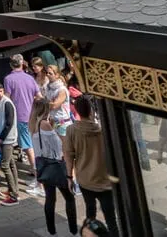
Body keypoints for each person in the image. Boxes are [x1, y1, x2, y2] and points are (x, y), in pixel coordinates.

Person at [65, 97, 118, 235]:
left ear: (77, 111)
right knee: (111, 217)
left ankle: (90, 232)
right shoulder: (102, 129)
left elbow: (69, 156)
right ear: (91, 110)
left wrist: (69, 177)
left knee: (90, 211)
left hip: (85, 179)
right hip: (105, 180)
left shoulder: (72, 130)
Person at [32, 99, 78, 236]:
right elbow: (59, 146)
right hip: (56, 165)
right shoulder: (45, 124)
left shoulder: (33, 124)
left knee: (50, 199)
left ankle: (51, 231)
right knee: (70, 198)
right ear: (46, 109)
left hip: (44, 166)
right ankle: (73, 230)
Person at [4, 53, 43, 197]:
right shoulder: (30, 78)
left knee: (28, 147)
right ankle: (36, 176)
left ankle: (39, 179)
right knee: (31, 145)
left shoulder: (8, 79)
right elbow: (39, 97)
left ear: (10, 64)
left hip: (19, 117)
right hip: (32, 116)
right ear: (22, 64)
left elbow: (7, 100)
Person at [0, 80, 21, 205]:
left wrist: (1, 137)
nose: (0, 93)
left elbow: (9, 123)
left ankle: (13, 196)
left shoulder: (7, 103)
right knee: (11, 163)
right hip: (1, 136)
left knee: (5, 165)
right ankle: (14, 190)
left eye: (1, 91)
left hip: (8, 138)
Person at [45, 64, 74, 135]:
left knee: (64, 145)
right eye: (47, 73)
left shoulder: (62, 90)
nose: (47, 75)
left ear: (57, 75)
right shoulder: (48, 88)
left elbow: (54, 105)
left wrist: (45, 103)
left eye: (50, 73)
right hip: (53, 122)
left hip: (63, 123)